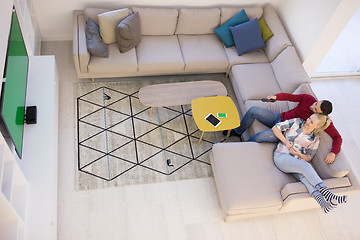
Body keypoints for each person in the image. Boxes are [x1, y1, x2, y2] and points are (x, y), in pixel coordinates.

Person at [226, 93, 342, 163]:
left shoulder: (319, 121)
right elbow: (290, 97)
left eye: (315, 109)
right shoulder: (309, 99)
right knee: (253, 111)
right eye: (316, 104)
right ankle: (237, 131)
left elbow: (337, 137)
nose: (313, 106)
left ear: (321, 115)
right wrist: (276, 97)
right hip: (279, 118)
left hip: (283, 132)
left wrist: (333, 153)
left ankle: (240, 149)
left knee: (261, 136)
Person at [272, 114, 347, 213]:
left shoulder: (315, 139)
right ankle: (327, 193)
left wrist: (299, 154)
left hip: (295, 163)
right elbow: (275, 128)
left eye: (311, 122)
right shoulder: (296, 122)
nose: (307, 121)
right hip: (281, 156)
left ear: (317, 127)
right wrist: (286, 142)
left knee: (305, 178)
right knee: (305, 166)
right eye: (309, 118)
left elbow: (309, 157)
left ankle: (323, 203)